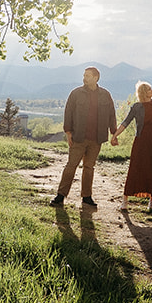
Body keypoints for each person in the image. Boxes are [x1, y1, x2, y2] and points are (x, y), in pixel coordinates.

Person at [52, 66, 117, 208]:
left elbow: (112, 114)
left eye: (87, 76)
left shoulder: (105, 94)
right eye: (84, 75)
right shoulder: (76, 94)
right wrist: (68, 133)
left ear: (96, 78)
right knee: (71, 166)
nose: (84, 78)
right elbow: (68, 113)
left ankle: (86, 196)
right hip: (78, 137)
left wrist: (114, 133)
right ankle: (60, 196)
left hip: (97, 138)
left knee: (89, 167)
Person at [113, 81, 152, 213]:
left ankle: (151, 203)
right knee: (135, 168)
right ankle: (125, 201)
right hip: (140, 142)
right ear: (143, 92)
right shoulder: (136, 107)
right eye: (149, 89)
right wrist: (115, 135)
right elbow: (125, 123)